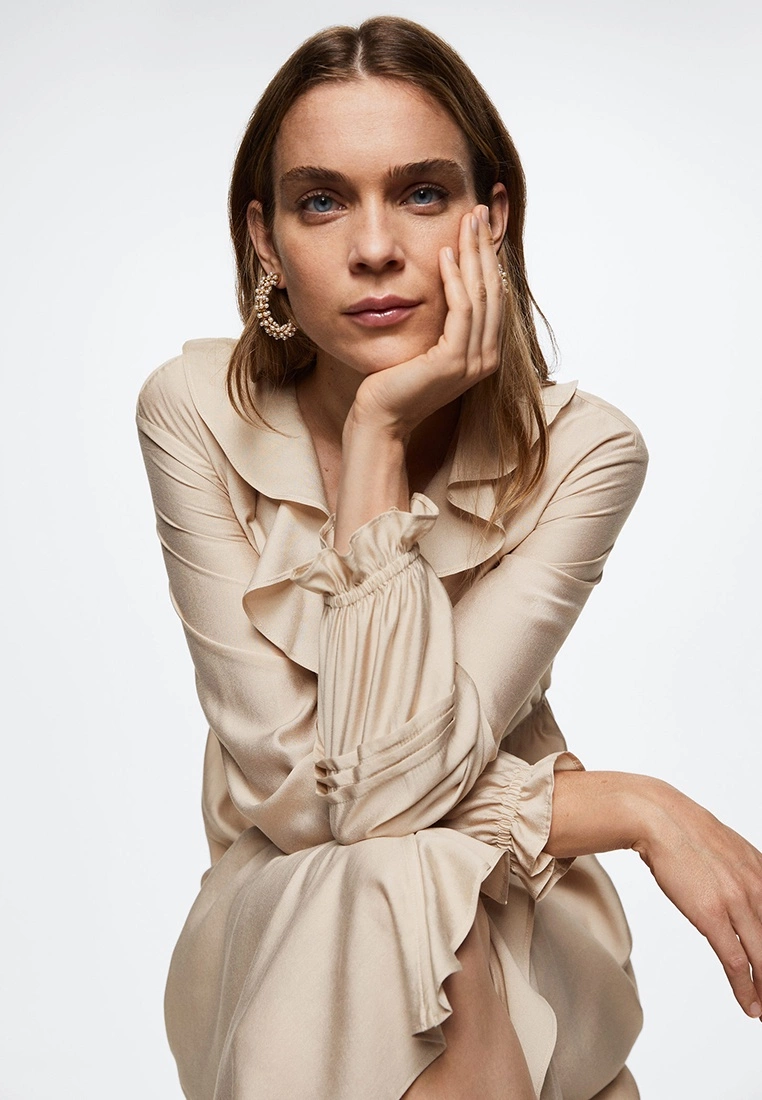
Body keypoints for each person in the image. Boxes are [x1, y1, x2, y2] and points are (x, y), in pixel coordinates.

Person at [136, 16, 762, 1100]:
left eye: (421, 193)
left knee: (416, 876)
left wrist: (373, 437)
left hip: (504, 905)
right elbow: (308, 800)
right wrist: (629, 804)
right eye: (322, 201)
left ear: (492, 217)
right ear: (264, 241)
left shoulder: (586, 451)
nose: (375, 246)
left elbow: (386, 794)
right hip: (282, 910)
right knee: (393, 875)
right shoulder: (192, 411)